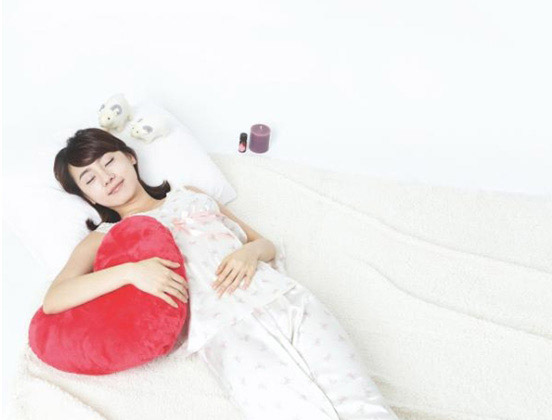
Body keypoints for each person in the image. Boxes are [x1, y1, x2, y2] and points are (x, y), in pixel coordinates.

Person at [45, 127, 400, 420]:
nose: (106, 177)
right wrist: (130, 273)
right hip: (225, 334)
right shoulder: (104, 239)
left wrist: (249, 252)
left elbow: (264, 244)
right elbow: (54, 299)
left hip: (286, 300)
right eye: (90, 178)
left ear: (130, 157)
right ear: (87, 197)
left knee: (366, 406)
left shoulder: (189, 195)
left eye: (109, 161)